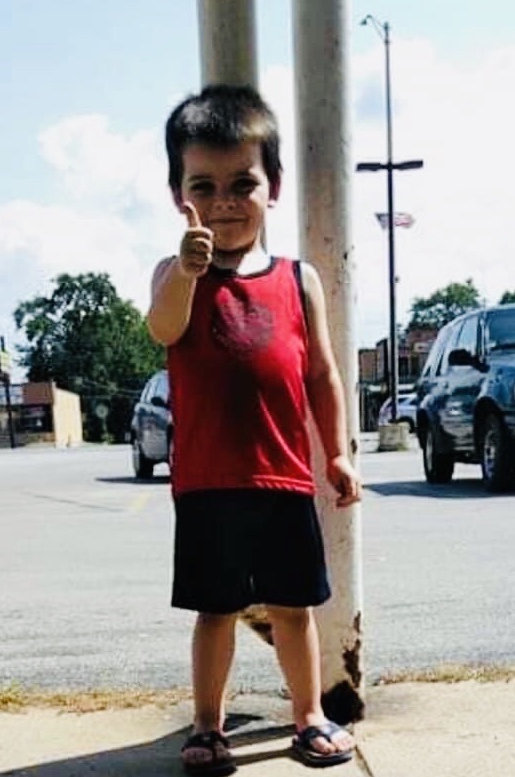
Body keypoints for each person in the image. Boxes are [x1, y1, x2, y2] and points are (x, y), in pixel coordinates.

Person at [147, 84, 361, 775]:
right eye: (202, 186)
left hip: (283, 478)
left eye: (243, 183)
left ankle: (309, 715)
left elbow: (321, 374)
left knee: (294, 609)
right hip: (207, 483)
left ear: (274, 189)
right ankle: (208, 726)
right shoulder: (173, 276)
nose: (225, 202)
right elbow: (162, 329)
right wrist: (187, 269)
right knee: (215, 611)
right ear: (177, 194)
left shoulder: (299, 280)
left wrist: (336, 454)